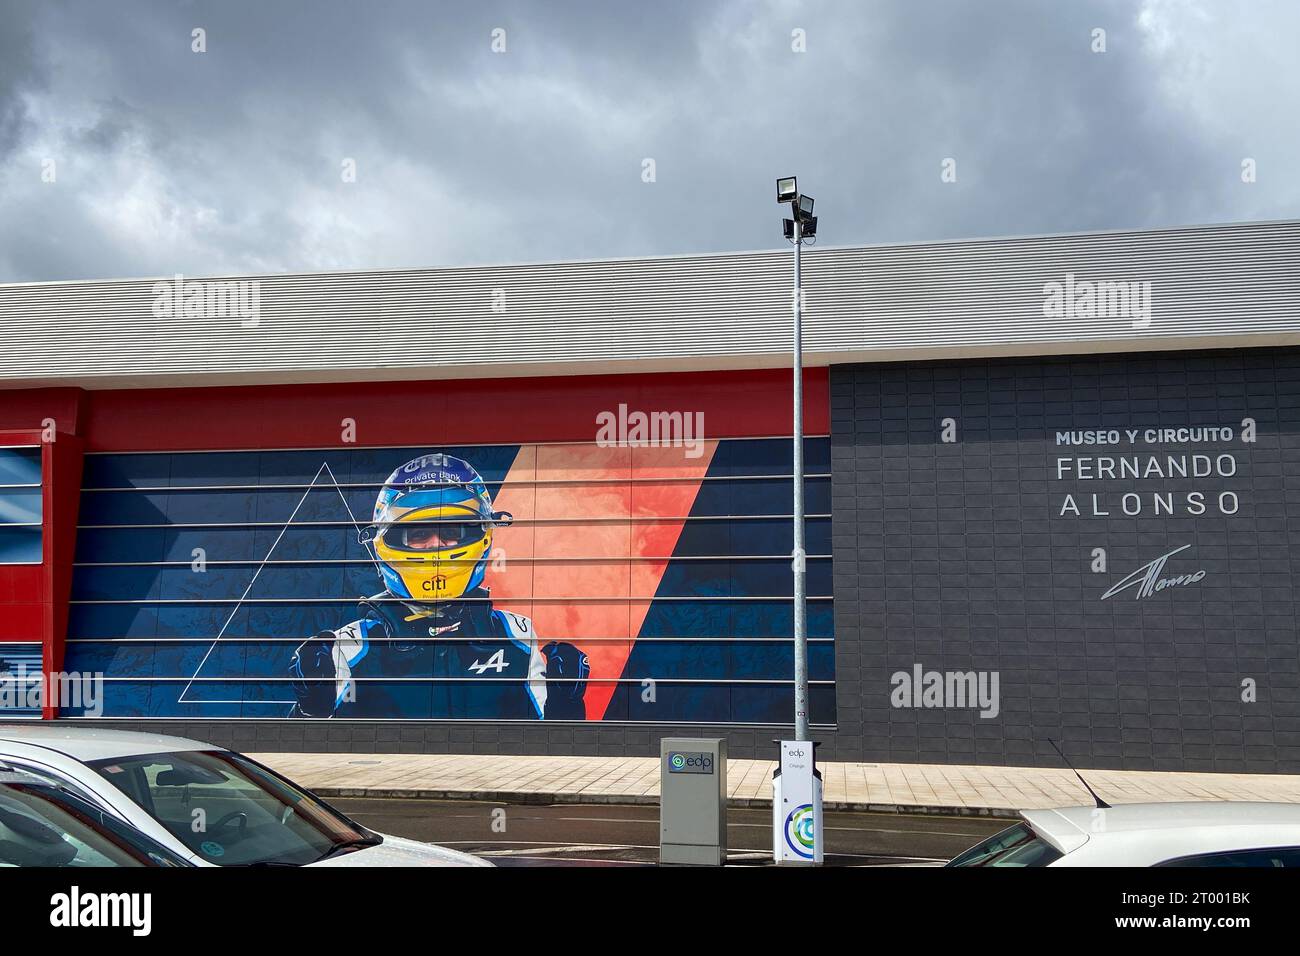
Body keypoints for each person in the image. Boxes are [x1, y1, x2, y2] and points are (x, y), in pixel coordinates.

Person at [289, 453, 589, 719]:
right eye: (418, 534)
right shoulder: (351, 647)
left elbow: (555, 745)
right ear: (387, 543)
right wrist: (310, 708)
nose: (436, 548)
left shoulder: (516, 635)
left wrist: (567, 703)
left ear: (480, 536)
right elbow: (302, 756)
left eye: (452, 532)